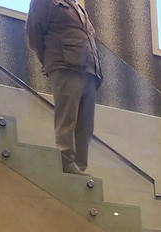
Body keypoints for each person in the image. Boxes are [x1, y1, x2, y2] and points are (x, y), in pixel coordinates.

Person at [26, 0, 101, 175]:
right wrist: (49, 60)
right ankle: (65, 161)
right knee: (67, 118)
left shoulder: (78, 7)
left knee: (86, 125)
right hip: (64, 65)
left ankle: (80, 166)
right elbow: (34, 33)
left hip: (89, 70)